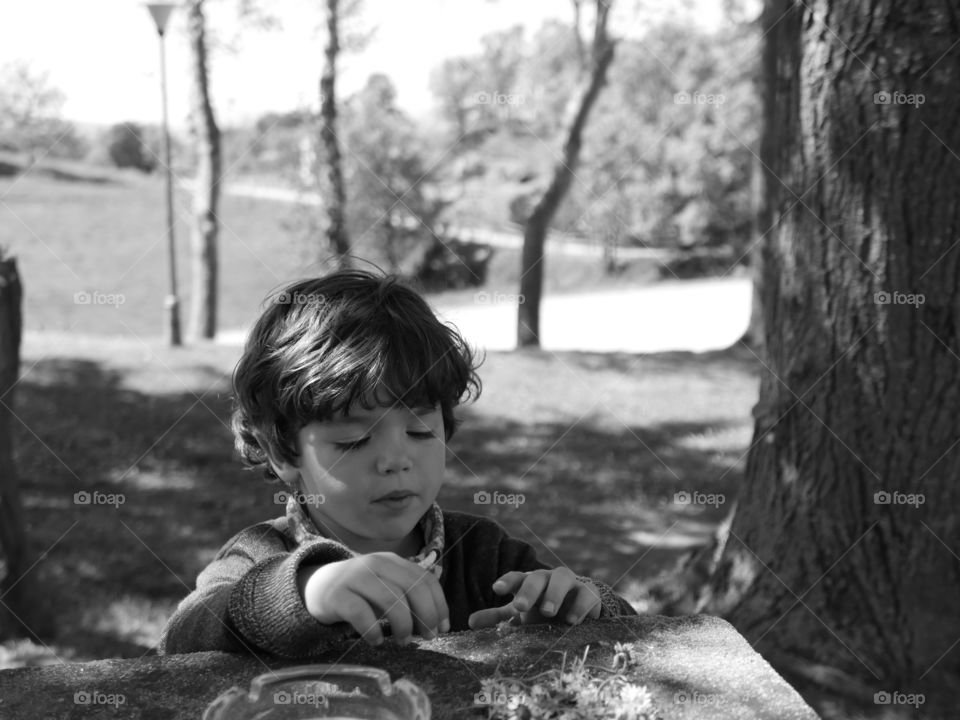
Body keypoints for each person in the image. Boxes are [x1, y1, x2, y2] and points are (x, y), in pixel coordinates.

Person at [159, 270, 636, 659]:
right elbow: (183, 638)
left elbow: (634, 627)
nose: (395, 460)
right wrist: (307, 590)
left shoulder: (484, 556)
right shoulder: (259, 556)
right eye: (354, 439)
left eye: (420, 431)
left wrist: (575, 606)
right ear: (283, 451)